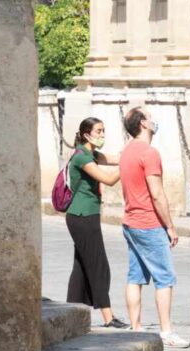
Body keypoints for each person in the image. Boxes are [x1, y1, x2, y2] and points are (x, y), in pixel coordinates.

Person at [119, 107, 190, 348]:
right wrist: (170, 225)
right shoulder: (149, 153)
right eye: (149, 117)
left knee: (135, 276)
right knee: (165, 278)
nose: (154, 119)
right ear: (143, 124)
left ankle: (135, 327)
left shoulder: (127, 151)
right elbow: (157, 193)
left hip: (130, 221)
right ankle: (167, 331)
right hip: (149, 223)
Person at [65, 117, 127, 328]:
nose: (102, 135)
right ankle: (108, 317)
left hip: (85, 216)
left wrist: (131, 152)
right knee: (99, 266)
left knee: (82, 266)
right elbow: (108, 180)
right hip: (82, 217)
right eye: (98, 131)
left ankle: (71, 313)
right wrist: (128, 162)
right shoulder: (82, 157)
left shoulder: (91, 154)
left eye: (103, 131)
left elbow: (115, 158)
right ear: (86, 134)